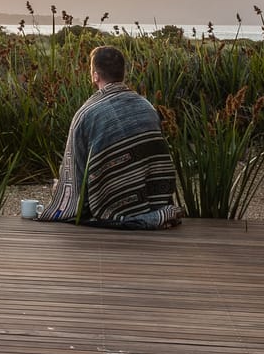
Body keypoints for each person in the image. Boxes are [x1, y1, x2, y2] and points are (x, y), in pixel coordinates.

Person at [42, 45, 182, 229]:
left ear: (95, 76)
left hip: (110, 204)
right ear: (123, 73)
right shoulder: (147, 107)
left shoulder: (87, 114)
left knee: (64, 190)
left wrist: (62, 195)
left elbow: (75, 169)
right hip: (155, 200)